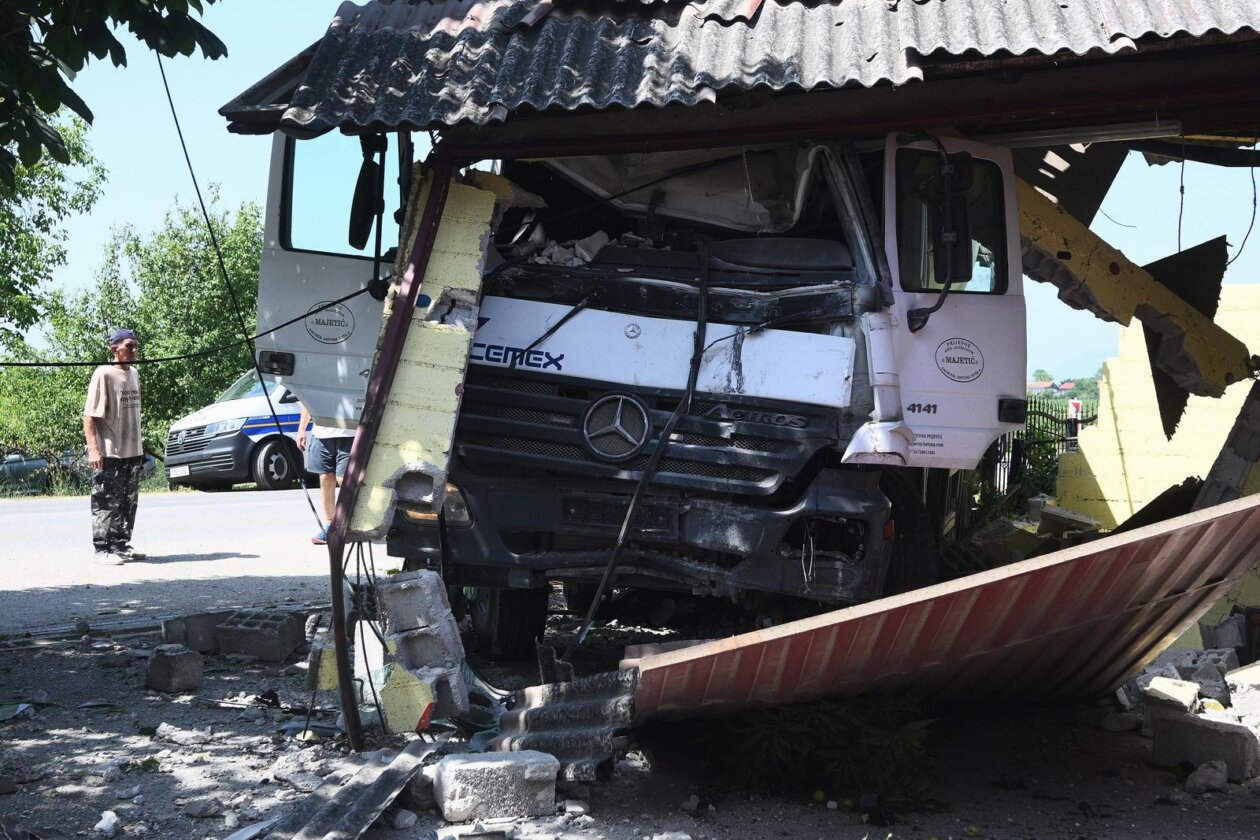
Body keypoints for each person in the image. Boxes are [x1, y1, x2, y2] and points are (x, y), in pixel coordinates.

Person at [84, 329, 146, 565]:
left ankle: (121, 545)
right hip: (111, 451)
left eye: (135, 346)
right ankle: (102, 549)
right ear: (115, 349)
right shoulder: (104, 374)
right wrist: (94, 449)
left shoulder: (134, 373)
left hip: (133, 450)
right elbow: (89, 416)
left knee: (128, 500)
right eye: (129, 346)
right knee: (105, 500)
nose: (134, 350)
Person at [297, 405, 355, 544]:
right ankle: (329, 525)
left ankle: (349, 524)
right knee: (325, 479)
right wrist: (301, 429)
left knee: (345, 480)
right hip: (322, 434)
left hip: (350, 433)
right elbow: (307, 401)